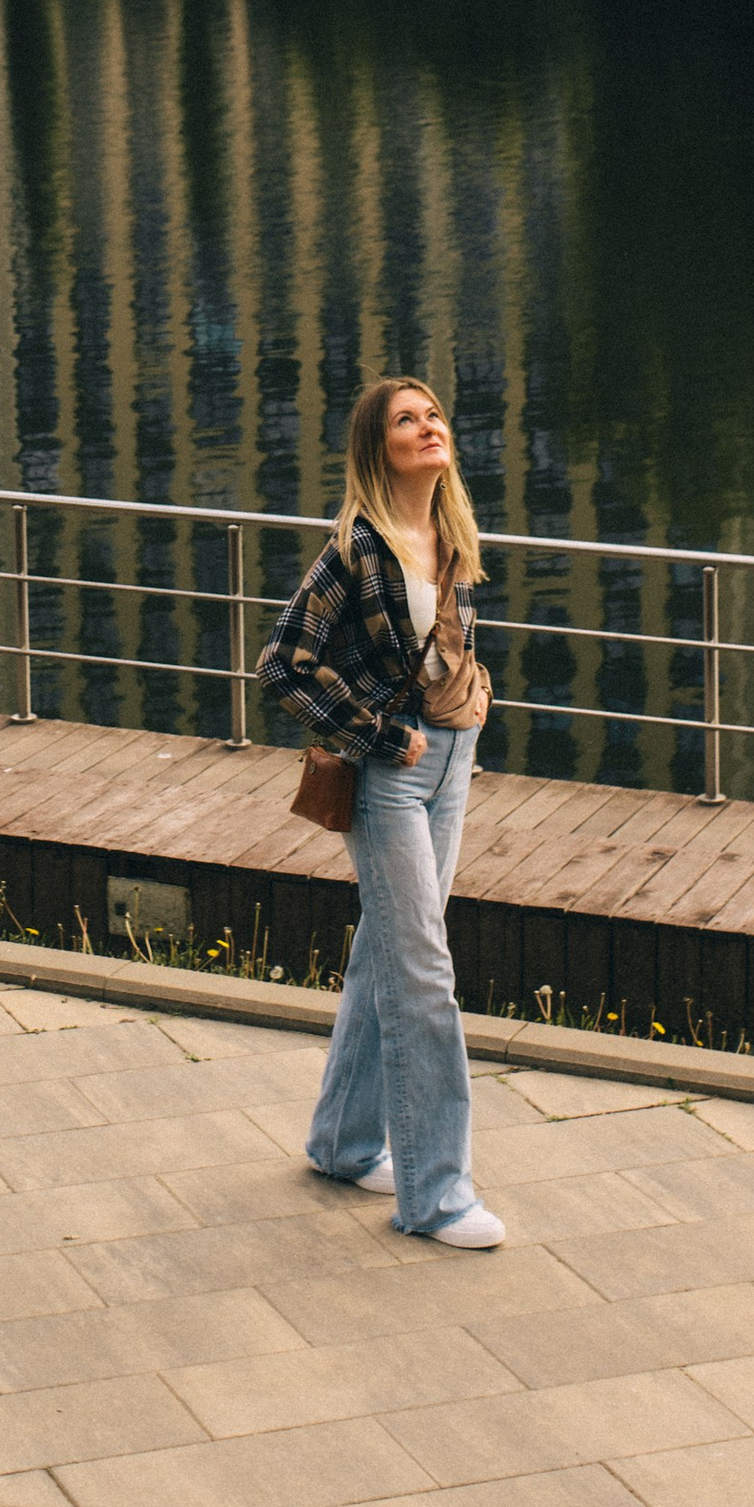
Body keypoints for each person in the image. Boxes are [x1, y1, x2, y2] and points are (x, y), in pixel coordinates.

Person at [259, 375, 505, 1250]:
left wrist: (475, 695)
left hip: (454, 762)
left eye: (435, 413)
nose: (429, 425)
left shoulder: (448, 532)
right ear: (379, 447)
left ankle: (342, 1143)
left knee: (386, 952)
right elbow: (284, 663)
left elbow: (435, 651)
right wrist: (371, 733)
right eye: (408, 420)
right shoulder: (358, 550)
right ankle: (436, 1196)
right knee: (424, 974)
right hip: (392, 777)